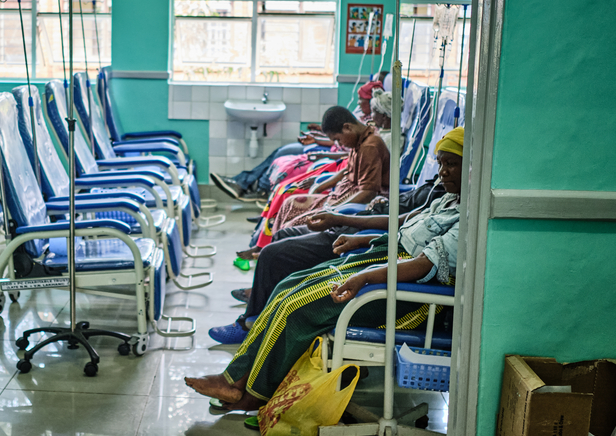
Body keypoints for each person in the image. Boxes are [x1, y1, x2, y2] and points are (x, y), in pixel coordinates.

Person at [187, 127, 464, 409]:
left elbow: (421, 265)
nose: (442, 171)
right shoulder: (445, 199)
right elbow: (402, 225)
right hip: (381, 262)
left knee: (298, 307)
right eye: (441, 163)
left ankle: (253, 394)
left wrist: (363, 278)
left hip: (403, 291)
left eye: (451, 164)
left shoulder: (465, 221)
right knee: (288, 285)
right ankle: (235, 377)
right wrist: (357, 236)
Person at [251, 106, 389, 249]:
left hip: (349, 204)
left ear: (347, 128)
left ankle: (278, 252)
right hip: (338, 196)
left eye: (338, 139)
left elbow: (368, 193)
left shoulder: (370, 147)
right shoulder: (360, 140)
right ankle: (269, 248)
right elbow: (348, 170)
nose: (340, 144)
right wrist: (320, 186)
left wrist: (335, 211)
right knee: (290, 204)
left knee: (293, 226)